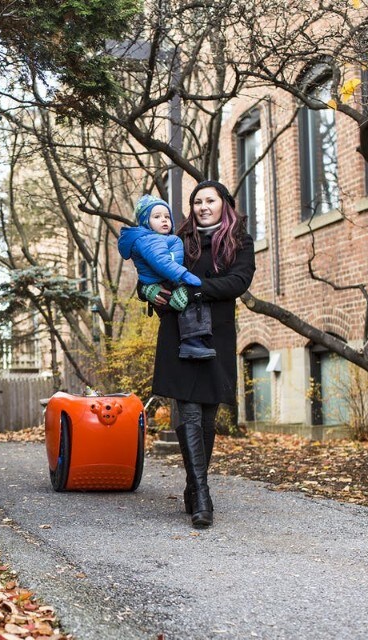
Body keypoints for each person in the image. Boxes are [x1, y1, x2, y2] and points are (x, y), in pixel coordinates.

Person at [146, 180, 256, 528]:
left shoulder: (239, 241)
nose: (203, 206)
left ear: (224, 204)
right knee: (189, 412)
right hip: (179, 334)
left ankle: (193, 485)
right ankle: (203, 494)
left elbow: (238, 282)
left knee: (207, 416)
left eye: (210, 200)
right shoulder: (178, 239)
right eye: (197, 201)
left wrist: (194, 291)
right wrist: (148, 291)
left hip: (215, 336)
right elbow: (150, 270)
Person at [118, 194, 216, 360]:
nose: (164, 220)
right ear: (146, 222)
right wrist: (183, 277)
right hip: (167, 283)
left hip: (170, 282)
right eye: (157, 217)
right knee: (187, 309)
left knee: (187, 308)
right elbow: (161, 263)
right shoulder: (152, 240)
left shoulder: (164, 238)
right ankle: (192, 342)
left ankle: (192, 342)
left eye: (167, 217)